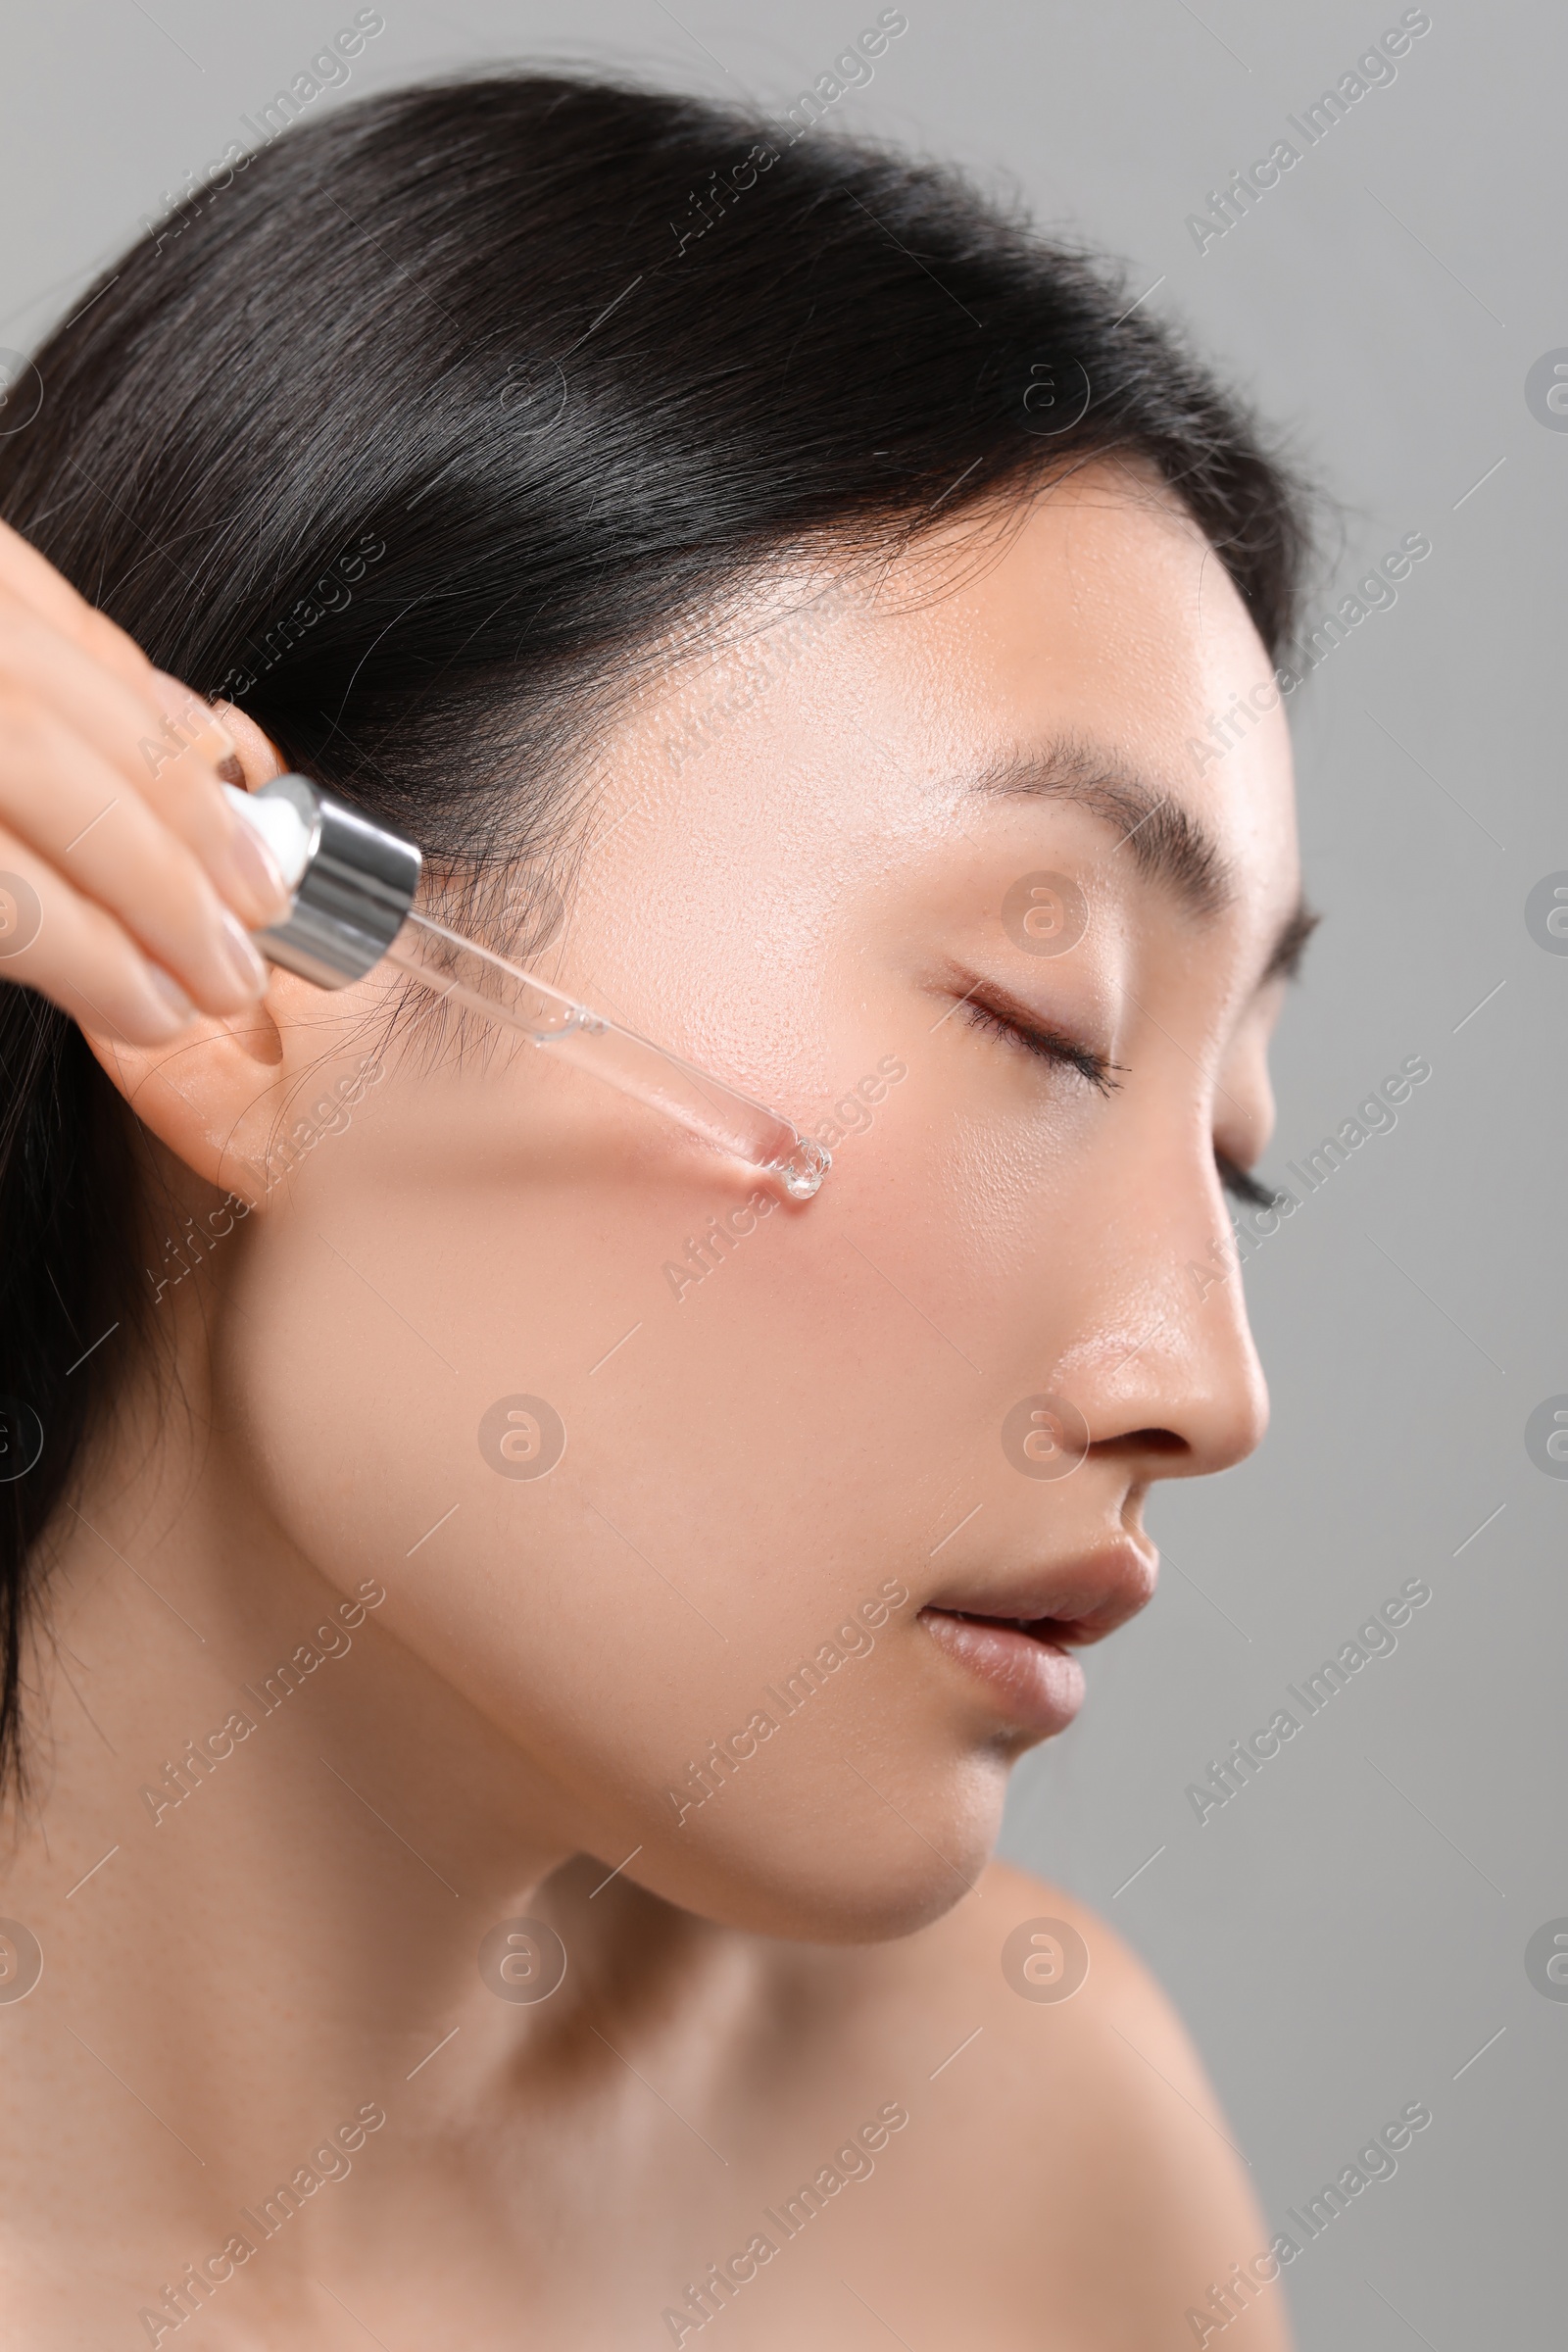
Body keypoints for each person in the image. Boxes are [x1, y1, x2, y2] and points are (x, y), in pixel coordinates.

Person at [0, 74, 1310, 2348]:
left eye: (1231, 1149)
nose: (1201, 1388)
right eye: (1040, 1019)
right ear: (239, 965)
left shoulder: (1019, 2181)